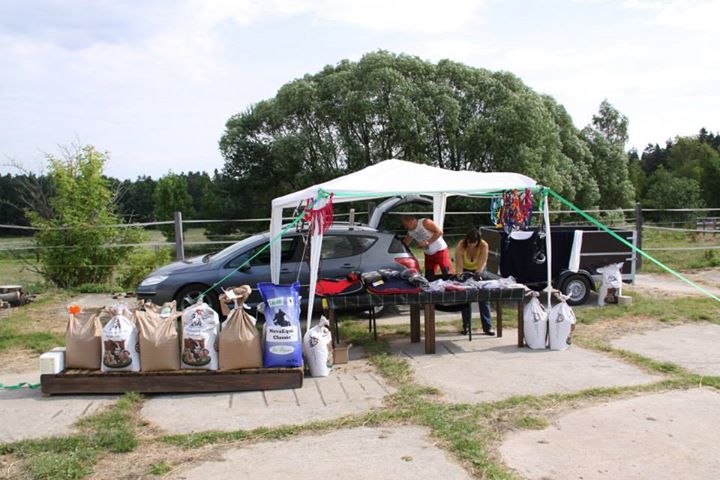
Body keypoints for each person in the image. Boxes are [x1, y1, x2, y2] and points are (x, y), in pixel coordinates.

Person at [455, 228, 495, 336]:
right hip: (465, 270)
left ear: (478, 241)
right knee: (465, 297)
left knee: (483, 297)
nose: (471, 245)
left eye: (474, 242)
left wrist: (478, 274)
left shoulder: (484, 245)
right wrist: (460, 277)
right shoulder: (460, 246)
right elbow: (459, 265)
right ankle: (466, 326)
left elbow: (482, 262)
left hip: (479, 270)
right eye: (469, 242)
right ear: (466, 240)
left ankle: (488, 327)